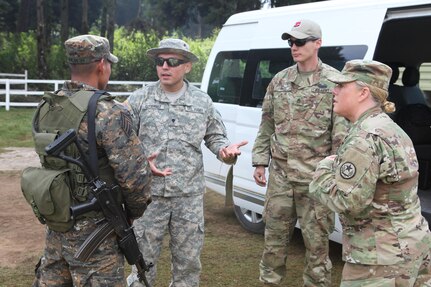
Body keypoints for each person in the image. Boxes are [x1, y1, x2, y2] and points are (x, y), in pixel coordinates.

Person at [29, 34, 153, 286]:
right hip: (98, 237)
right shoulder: (109, 111)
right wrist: (132, 213)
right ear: (101, 65)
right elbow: (136, 181)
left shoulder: (47, 106)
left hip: (57, 227)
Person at [125, 38, 248, 287]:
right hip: (149, 198)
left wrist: (225, 151)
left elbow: (215, 136)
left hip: (188, 198)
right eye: (160, 61)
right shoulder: (139, 100)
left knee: (188, 265)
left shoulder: (202, 102)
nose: (165, 67)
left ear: (188, 66)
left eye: (173, 61)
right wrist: (138, 164)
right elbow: (121, 140)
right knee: (141, 264)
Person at [309, 60, 431, 286]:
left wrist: (324, 170)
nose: (334, 91)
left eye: (342, 86)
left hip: (379, 260)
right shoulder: (390, 128)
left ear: (363, 92)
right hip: (413, 246)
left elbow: (349, 202)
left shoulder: (364, 139)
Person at [252, 19, 350, 286]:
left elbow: (340, 135)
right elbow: (267, 123)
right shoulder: (280, 80)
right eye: (290, 42)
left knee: (317, 246)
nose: (293, 47)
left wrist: (334, 176)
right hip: (281, 177)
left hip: (316, 179)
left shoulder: (334, 82)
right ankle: (269, 281)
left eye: (300, 41)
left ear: (317, 43)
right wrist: (260, 162)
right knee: (273, 242)